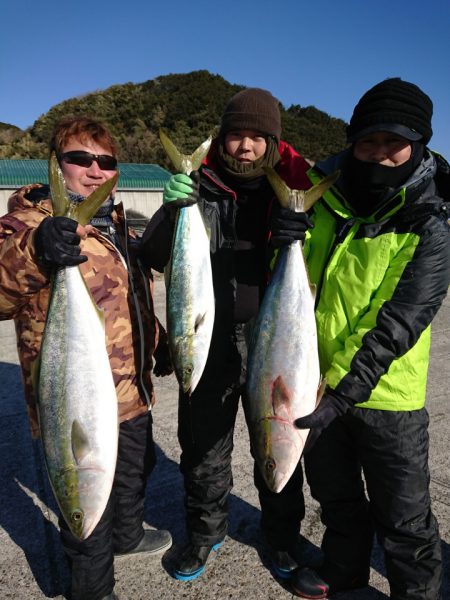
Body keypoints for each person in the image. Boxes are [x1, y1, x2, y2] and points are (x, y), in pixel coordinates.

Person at [285, 78, 450, 599]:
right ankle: (344, 570)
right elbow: (295, 295)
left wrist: (347, 389)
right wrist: (283, 243)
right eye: (368, 142)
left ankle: (415, 593)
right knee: (335, 498)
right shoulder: (323, 196)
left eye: (393, 143)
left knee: (403, 515)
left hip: (386, 395)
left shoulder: (432, 218)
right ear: (352, 142)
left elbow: (401, 318)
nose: (379, 154)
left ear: (417, 144)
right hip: (315, 384)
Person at [141, 88, 313, 581]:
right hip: (208, 338)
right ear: (222, 138)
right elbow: (152, 255)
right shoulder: (198, 185)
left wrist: (302, 229)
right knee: (203, 447)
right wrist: (173, 208)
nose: (245, 147)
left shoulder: (297, 189)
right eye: (236, 135)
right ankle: (205, 533)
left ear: (274, 142)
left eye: (258, 137)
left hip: (274, 336)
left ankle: (281, 537)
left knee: (279, 440)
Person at [0, 116, 173, 600]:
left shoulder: (114, 224)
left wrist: (158, 341)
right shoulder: (24, 223)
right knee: (85, 510)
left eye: (106, 162)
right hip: (73, 399)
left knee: (135, 476)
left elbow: (130, 298)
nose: (95, 171)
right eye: (81, 159)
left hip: (129, 391)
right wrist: (35, 250)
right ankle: (92, 591)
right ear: (57, 166)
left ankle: (129, 535)